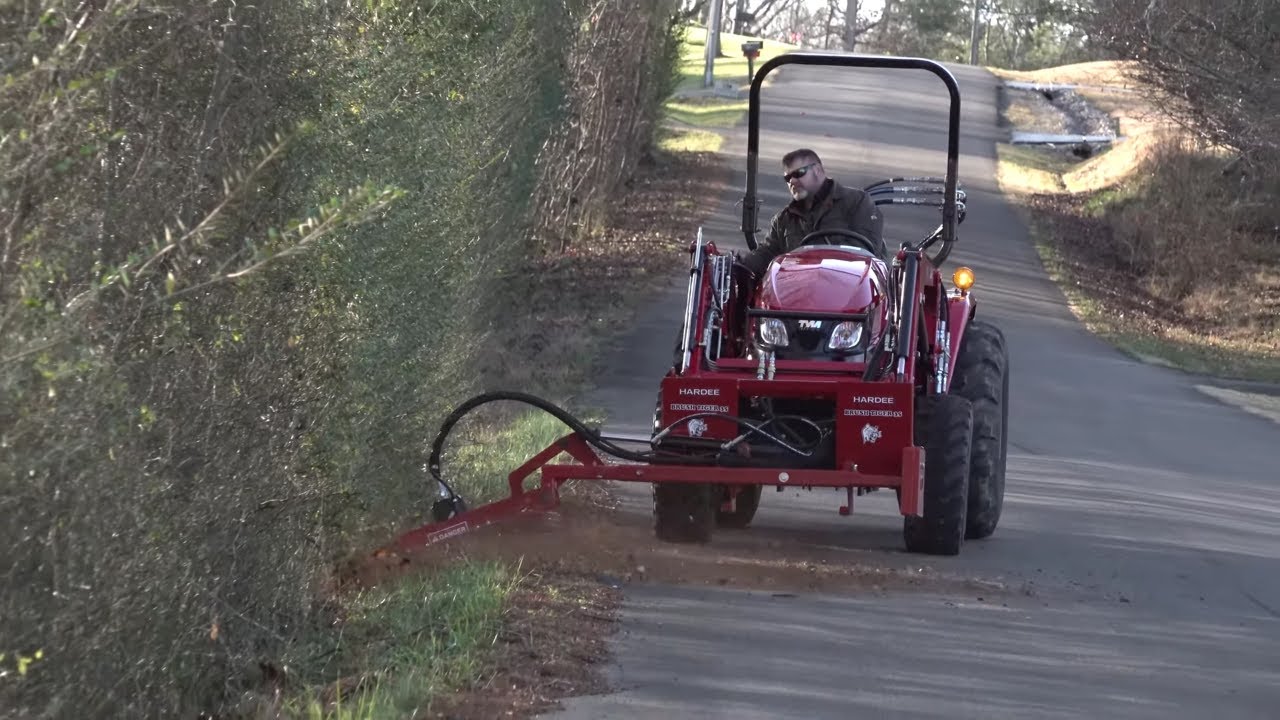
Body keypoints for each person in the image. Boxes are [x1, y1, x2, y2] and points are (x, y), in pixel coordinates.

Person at [738, 149, 886, 277]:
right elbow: (767, 254)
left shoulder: (857, 201)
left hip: (850, 286)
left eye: (799, 173)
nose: (793, 181)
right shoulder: (783, 220)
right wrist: (740, 264)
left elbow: (869, 249)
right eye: (788, 178)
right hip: (798, 293)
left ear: (818, 170)